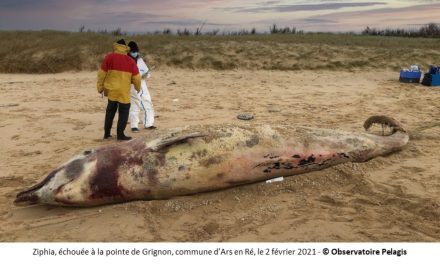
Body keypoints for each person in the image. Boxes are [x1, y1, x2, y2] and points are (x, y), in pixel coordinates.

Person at [97, 39, 141, 140]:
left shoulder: (109, 57)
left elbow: (101, 73)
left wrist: (100, 87)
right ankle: (120, 135)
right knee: (124, 112)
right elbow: (137, 77)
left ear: (116, 46)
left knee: (110, 111)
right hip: (124, 91)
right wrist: (138, 88)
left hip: (112, 90)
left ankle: (107, 134)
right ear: (125, 48)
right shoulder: (130, 60)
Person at [127, 41, 156, 132]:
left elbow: (147, 73)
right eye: (133, 51)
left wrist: (145, 75)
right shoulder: (126, 60)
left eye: (136, 51)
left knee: (147, 101)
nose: (135, 53)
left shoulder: (140, 60)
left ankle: (148, 123)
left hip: (142, 83)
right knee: (135, 104)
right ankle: (134, 125)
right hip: (131, 85)